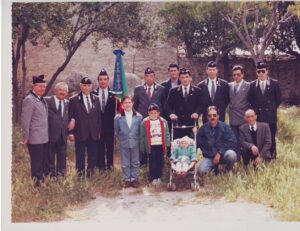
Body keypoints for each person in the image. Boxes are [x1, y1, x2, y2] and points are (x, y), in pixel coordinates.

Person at [68, 77, 101, 178]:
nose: (87, 88)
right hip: (80, 132)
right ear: (81, 86)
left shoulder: (96, 99)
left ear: (91, 86)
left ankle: (90, 174)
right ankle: (80, 175)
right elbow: (70, 117)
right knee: (80, 155)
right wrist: (71, 133)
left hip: (93, 132)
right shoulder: (73, 100)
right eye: (84, 85)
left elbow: (98, 117)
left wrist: (99, 131)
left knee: (93, 155)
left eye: (88, 86)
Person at [248, 61, 282, 159]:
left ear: (267, 71)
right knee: (258, 138)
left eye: (263, 71)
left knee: (271, 138)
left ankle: (272, 158)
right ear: (256, 72)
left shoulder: (274, 83)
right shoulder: (252, 85)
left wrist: (271, 109)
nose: (261, 73)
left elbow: (278, 99)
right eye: (259, 71)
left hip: (270, 116)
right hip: (258, 117)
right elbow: (250, 101)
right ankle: (258, 158)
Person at [133, 67, 166, 165]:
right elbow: (135, 106)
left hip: (156, 122)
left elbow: (163, 106)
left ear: (154, 77)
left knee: (156, 143)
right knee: (143, 141)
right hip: (143, 121)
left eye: (151, 76)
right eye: (147, 76)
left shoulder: (161, 89)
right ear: (144, 77)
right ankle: (143, 163)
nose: (149, 78)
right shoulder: (138, 89)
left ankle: (156, 163)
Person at [21, 75, 48, 186]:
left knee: (42, 161)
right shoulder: (29, 100)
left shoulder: (41, 99)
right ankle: (37, 185)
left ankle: (41, 181)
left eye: (44, 86)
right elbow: (25, 120)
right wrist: (26, 137)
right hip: (35, 138)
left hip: (44, 137)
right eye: (40, 86)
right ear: (34, 86)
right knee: (36, 162)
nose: (42, 88)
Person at [197, 106, 237, 175]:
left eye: (214, 115)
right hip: (210, 157)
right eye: (210, 116)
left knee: (231, 154)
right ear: (207, 117)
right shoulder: (203, 129)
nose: (212, 117)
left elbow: (232, 142)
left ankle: (228, 169)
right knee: (201, 171)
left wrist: (219, 153)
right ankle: (213, 168)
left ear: (218, 116)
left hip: (223, 155)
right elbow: (199, 143)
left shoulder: (225, 127)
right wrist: (194, 134)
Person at [91, 69, 117, 171]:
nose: (103, 81)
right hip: (97, 126)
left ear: (108, 80)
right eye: (101, 79)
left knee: (110, 147)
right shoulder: (93, 94)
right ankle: (100, 167)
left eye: (105, 79)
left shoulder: (114, 94)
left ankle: (110, 167)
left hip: (110, 127)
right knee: (99, 148)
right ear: (98, 80)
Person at [114, 96, 143, 188]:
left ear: (132, 103)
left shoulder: (138, 116)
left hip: (135, 141)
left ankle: (134, 178)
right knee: (125, 161)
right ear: (122, 105)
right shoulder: (118, 118)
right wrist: (122, 138)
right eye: (125, 103)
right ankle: (127, 179)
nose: (127, 104)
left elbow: (140, 130)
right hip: (124, 142)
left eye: (129, 102)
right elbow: (117, 131)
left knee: (135, 161)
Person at [165, 68, 201, 139]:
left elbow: (201, 105)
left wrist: (197, 112)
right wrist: (171, 114)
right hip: (178, 124)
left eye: (187, 77)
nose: (185, 79)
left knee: (192, 146)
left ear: (190, 78)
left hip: (192, 123)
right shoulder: (173, 91)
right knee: (178, 146)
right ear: (179, 79)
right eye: (182, 77)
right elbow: (167, 105)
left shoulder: (197, 91)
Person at [140, 103, 170, 186]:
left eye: (155, 113)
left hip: (160, 145)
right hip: (151, 145)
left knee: (160, 161)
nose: (153, 115)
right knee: (152, 162)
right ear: (148, 113)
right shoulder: (145, 122)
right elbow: (142, 135)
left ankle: (159, 177)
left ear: (158, 113)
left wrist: (167, 143)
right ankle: (153, 178)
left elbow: (167, 133)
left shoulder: (163, 121)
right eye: (151, 113)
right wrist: (142, 147)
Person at [44, 82, 69, 178]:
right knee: (49, 157)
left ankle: (61, 176)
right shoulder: (46, 101)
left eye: (64, 90)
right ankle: (50, 177)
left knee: (62, 158)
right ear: (55, 91)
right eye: (60, 90)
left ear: (67, 92)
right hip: (50, 135)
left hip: (63, 136)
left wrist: (73, 120)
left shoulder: (68, 103)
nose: (62, 92)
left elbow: (71, 116)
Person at [228, 65, 250, 160]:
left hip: (243, 118)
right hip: (233, 118)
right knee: (234, 140)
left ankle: (246, 159)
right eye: (234, 75)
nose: (236, 76)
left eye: (238, 74)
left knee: (244, 140)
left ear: (242, 75)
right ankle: (236, 159)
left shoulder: (248, 86)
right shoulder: (229, 86)